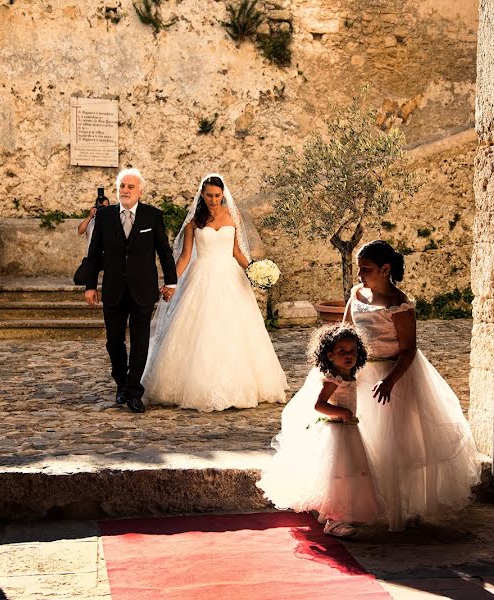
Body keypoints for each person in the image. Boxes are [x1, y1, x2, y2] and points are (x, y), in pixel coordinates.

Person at [345, 240, 480, 532]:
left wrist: (389, 380)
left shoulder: (399, 305)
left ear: (385, 269)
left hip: (395, 377)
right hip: (360, 373)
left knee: (395, 446)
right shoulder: (357, 294)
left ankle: (398, 505)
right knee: (360, 440)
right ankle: (358, 502)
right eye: (359, 269)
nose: (360, 276)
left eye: (366, 270)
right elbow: (345, 331)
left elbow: (409, 349)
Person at [140, 173, 288, 411]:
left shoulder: (233, 216)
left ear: (223, 194)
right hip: (202, 277)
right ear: (202, 194)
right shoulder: (193, 223)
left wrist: (254, 270)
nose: (213, 199)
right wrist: (171, 281)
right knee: (201, 327)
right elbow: (185, 257)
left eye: (217, 195)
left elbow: (237, 252)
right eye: (209, 195)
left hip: (231, 276)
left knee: (235, 328)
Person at [256, 325, 379, 538]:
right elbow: (319, 405)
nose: (349, 356)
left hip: (348, 431)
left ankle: (341, 513)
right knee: (338, 475)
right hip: (336, 433)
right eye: (342, 352)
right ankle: (334, 521)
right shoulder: (333, 379)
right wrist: (340, 412)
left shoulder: (349, 376)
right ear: (330, 355)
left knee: (349, 474)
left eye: (353, 351)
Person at [83, 168, 177, 413]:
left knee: (140, 342)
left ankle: (134, 391)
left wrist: (171, 282)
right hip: (113, 289)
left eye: (130, 187)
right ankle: (121, 383)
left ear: (140, 191)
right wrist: (90, 285)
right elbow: (93, 254)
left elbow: (164, 251)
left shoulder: (152, 216)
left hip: (143, 289)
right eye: (122, 186)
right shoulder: (104, 217)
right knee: (114, 341)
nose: (125, 190)